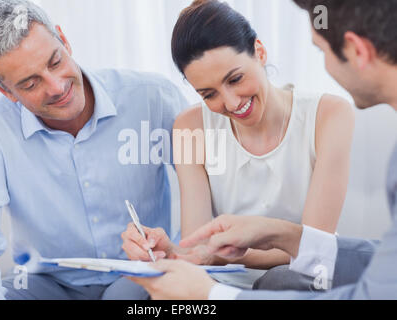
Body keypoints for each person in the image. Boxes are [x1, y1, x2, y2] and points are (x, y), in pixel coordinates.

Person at [128, 0, 397, 300]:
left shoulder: (329, 114)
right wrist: (171, 251)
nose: (230, 103)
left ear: (260, 52)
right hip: (222, 277)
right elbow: (198, 246)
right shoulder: (190, 126)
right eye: (209, 94)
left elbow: (316, 250)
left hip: (292, 281)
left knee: (279, 280)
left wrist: (219, 264)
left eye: (235, 79)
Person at [0, 0, 188, 300]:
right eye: (31, 83)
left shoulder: (153, 98)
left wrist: (180, 252)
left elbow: (212, 193)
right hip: (43, 283)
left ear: (63, 39)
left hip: (138, 275)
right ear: (5, 91)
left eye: (55, 62)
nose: (57, 86)